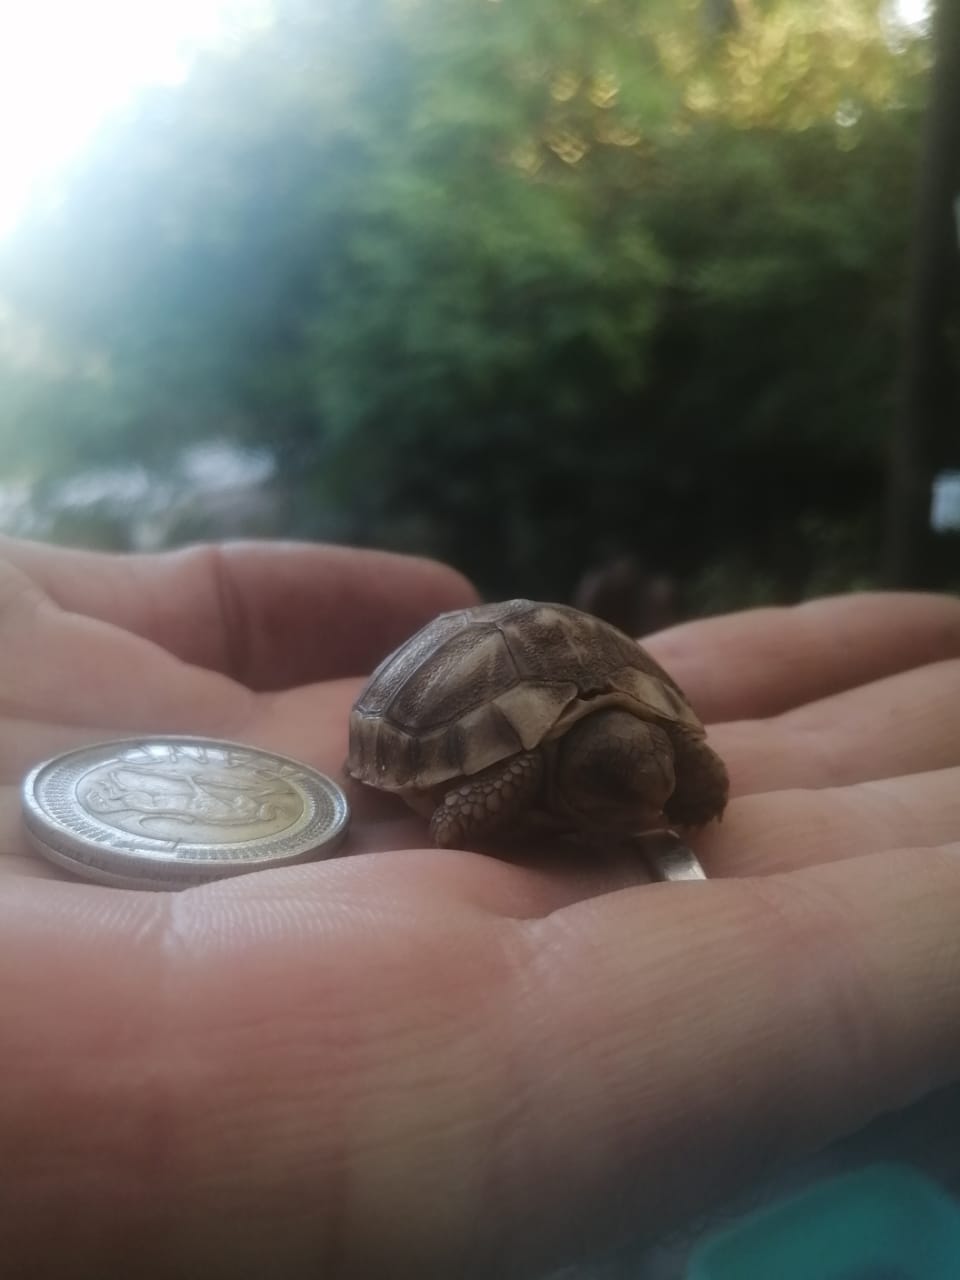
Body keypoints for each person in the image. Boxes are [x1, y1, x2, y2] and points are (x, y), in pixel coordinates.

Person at [2, 534, 960, 1278]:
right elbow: (463, 815)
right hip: (468, 716)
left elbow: (688, 775)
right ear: (568, 778)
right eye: (623, 790)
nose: (651, 804)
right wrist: (472, 806)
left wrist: (687, 788)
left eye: (657, 781)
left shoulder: (658, 755)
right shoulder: (514, 771)